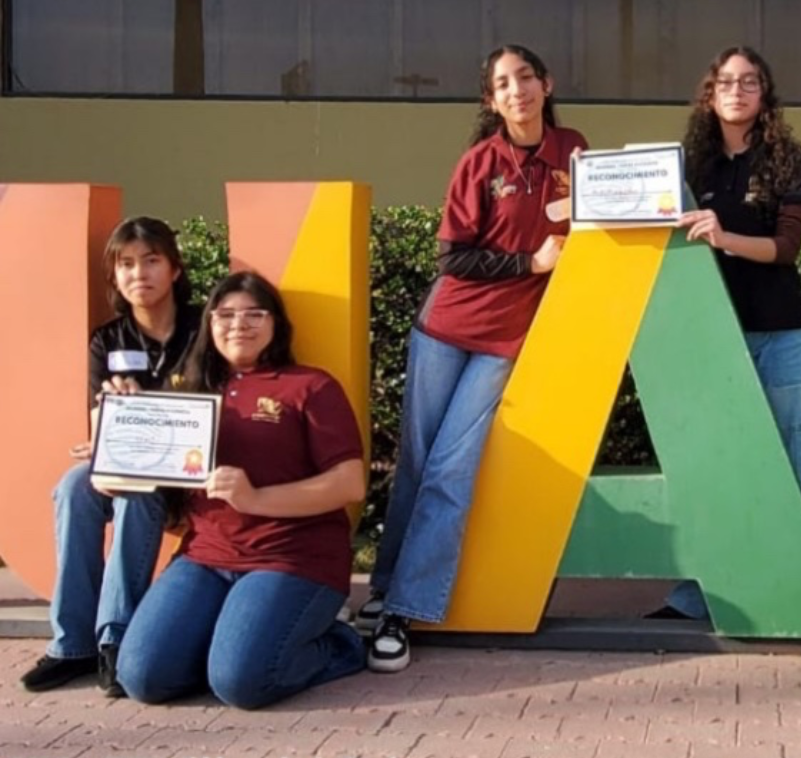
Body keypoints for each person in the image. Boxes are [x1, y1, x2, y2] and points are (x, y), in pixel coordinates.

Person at [357, 44, 588, 673]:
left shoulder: (574, 150)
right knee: (418, 462)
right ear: (491, 100)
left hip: (506, 342)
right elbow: (452, 257)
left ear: (547, 83)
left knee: (451, 470)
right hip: (445, 328)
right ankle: (381, 592)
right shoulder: (479, 162)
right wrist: (530, 263)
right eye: (503, 84)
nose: (517, 91)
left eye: (525, 79)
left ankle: (402, 612)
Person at [114, 272, 366, 709]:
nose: (238, 324)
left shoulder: (309, 386)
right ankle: (233, 641)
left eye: (254, 313)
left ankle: (341, 644)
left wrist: (256, 500)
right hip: (205, 557)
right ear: (209, 323)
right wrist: (118, 425)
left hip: (291, 558)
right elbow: (146, 467)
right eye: (225, 314)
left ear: (275, 324)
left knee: (240, 684)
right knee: (143, 677)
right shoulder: (188, 389)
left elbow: (349, 482)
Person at [656, 45, 801, 621]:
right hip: (710, 336)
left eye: (750, 81)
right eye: (726, 81)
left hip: (780, 332)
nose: (737, 90)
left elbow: (787, 248)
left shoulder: (788, 158)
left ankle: (784, 583)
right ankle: (704, 591)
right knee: (713, 462)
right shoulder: (686, 165)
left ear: (764, 94)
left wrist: (724, 237)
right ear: (710, 92)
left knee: (788, 461)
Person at [20, 217, 201, 697]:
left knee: (134, 492)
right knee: (75, 486)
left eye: (151, 260)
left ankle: (117, 639)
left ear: (175, 270)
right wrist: (108, 448)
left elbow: (212, 411)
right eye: (125, 264)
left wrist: (134, 422)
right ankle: (73, 643)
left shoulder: (202, 329)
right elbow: (101, 418)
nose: (138, 273)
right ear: (115, 277)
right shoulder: (108, 340)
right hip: (132, 462)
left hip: (191, 469)